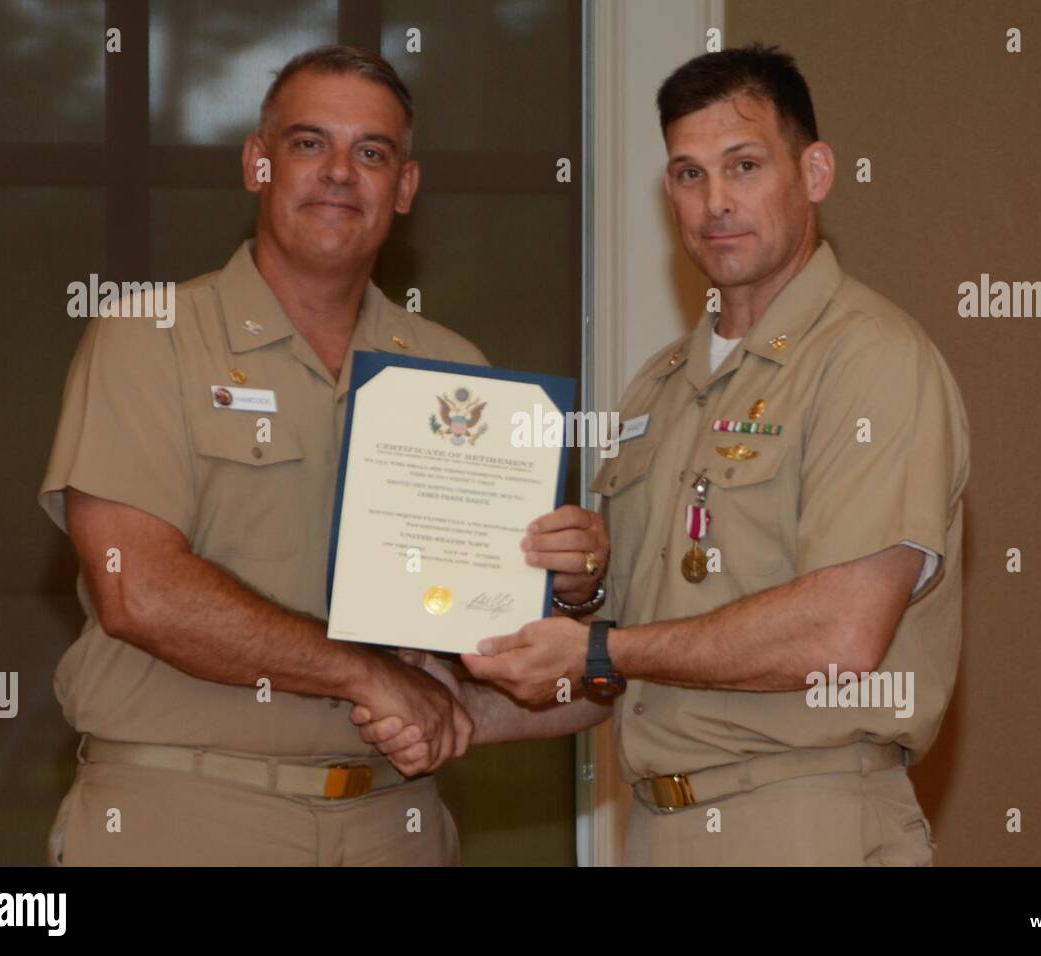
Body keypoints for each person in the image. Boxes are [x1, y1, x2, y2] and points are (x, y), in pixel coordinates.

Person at [362, 44, 971, 866]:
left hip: (806, 815)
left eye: (745, 165)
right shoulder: (661, 387)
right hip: (658, 825)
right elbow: (620, 680)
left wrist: (604, 646)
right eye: (689, 175)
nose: (716, 202)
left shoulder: (870, 360)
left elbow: (842, 632)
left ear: (816, 171)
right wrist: (464, 702)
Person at [37, 44, 607, 866]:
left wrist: (568, 588)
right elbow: (140, 589)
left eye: (371, 153)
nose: (340, 172)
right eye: (309, 144)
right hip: (187, 817)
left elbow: (501, 654)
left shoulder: (459, 376)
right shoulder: (151, 335)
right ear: (257, 166)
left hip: (394, 822)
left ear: (404, 188)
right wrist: (362, 674)